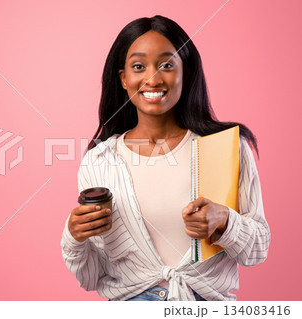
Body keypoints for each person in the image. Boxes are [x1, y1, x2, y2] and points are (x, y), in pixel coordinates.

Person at [60, 15, 270, 301]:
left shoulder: (226, 148)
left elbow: (258, 248)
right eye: (138, 66)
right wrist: (75, 237)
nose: (153, 78)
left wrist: (224, 221)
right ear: (123, 78)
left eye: (167, 65)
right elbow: (92, 277)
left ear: (186, 72)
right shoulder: (100, 161)